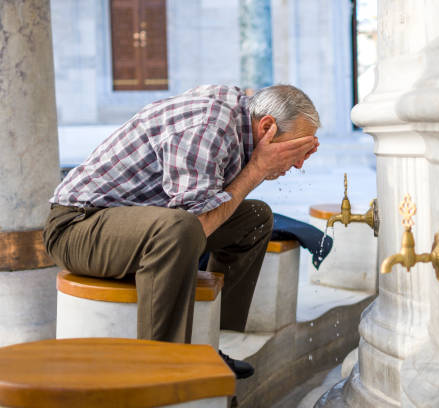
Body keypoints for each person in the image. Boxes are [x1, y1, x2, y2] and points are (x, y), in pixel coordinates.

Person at [42, 84, 320, 379]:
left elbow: (216, 203)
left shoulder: (239, 121)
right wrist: (257, 169)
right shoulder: (209, 126)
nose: (300, 163)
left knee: (256, 218)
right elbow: (195, 226)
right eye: (297, 148)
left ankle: (209, 341)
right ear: (267, 127)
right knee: (182, 228)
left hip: (138, 224)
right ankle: (162, 369)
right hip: (77, 228)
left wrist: (258, 167)